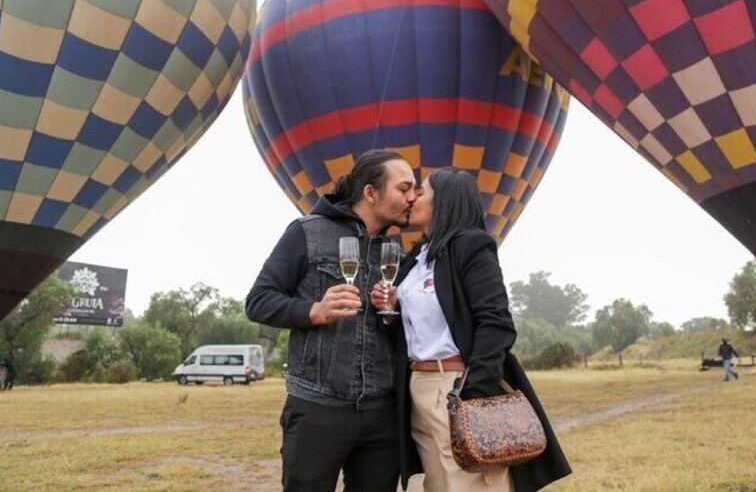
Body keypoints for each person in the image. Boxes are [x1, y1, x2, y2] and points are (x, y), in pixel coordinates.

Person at [372, 168, 571, 491]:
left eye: (421, 192)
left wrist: (473, 390)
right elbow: (423, 324)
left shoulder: (471, 246)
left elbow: (495, 322)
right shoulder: (417, 258)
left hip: (454, 384)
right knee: (438, 484)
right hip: (418, 385)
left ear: (444, 201)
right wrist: (392, 309)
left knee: (473, 483)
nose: (412, 198)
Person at [245, 149, 418, 492]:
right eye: (404, 188)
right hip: (317, 408)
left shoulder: (395, 254)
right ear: (370, 192)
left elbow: (401, 334)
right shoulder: (307, 233)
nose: (413, 197)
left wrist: (393, 314)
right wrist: (313, 311)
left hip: (381, 411)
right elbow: (258, 301)